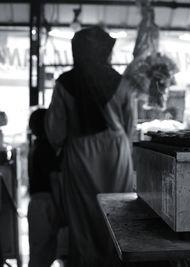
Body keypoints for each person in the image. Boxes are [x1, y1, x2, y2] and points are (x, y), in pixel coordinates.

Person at [45, 26, 134, 267]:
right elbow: (130, 127)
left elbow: (55, 132)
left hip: (80, 154)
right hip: (117, 154)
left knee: (83, 220)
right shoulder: (122, 82)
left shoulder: (64, 83)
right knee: (118, 215)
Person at [27, 108, 59, 267]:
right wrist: (61, 209)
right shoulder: (47, 149)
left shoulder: (35, 147)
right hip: (45, 203)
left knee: (39, 252)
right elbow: (54, 180)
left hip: (36, 202)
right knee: (43, 254)